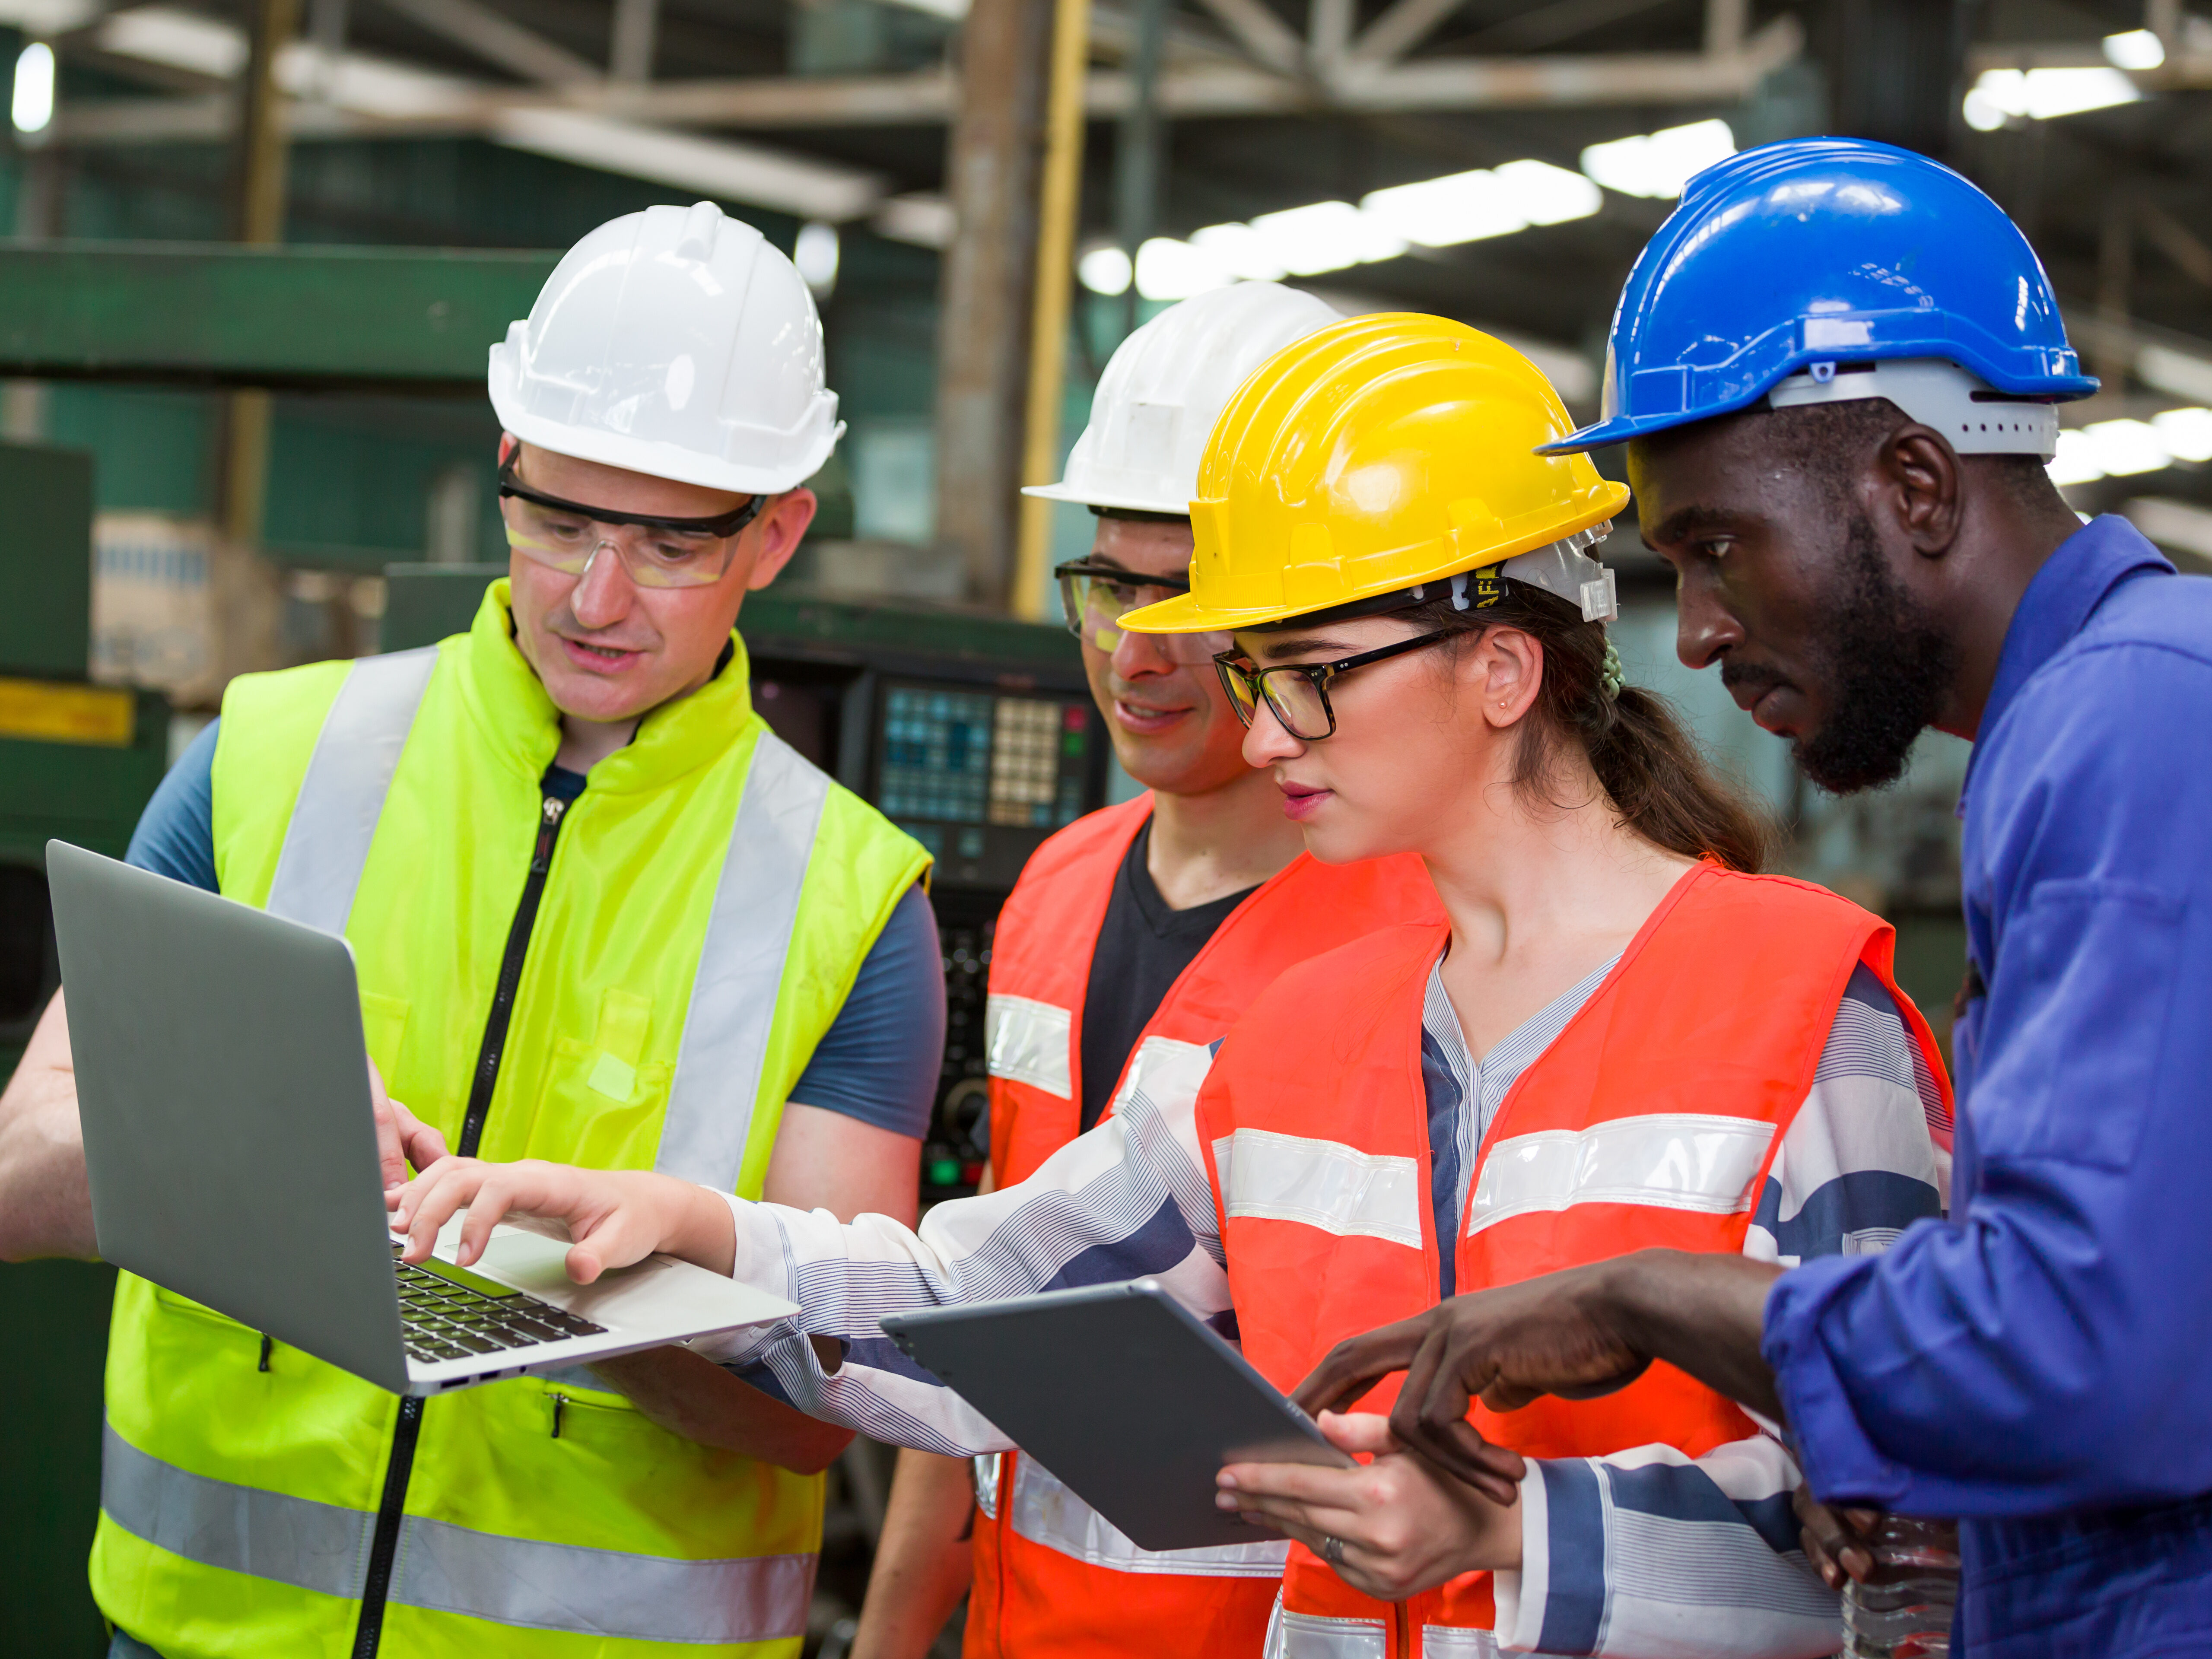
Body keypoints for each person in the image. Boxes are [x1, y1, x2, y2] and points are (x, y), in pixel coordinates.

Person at [385, 313, 1955, 1658]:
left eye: (1304, 676)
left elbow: (1922, 1534)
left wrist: (1516, 1537)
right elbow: (972, 1310)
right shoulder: (1281, 1035)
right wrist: (691, 1232)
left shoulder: (1806, 1017)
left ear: (1502, 665)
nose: (1261, 737)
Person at [1298, 138, 2212, 1659]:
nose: (1702, 635)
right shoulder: (2105, 719)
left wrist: (1657, 1299)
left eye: (1718, 551)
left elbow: (2082, 1352)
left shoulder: (2133, 724)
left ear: (1913, 485)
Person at [0, 201, 944, 1659]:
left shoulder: (852, 900)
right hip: (203, 1633)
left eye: (669, 544)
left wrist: (578, 1287)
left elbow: (817, 1415)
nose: (596, 594)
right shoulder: (268, 754)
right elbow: (16, 1178)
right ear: (504, 467)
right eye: (558, 519)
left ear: (778, 534)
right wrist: (239, 1165)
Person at [852, 282, 1441, 1659]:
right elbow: (979, 1307)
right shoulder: (1058, 884)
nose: (1139, 644)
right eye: (1114, 584)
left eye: (1195, 592)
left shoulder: (1415, 939)